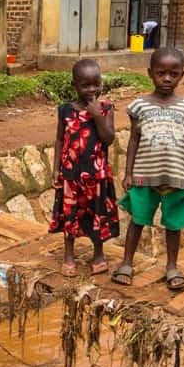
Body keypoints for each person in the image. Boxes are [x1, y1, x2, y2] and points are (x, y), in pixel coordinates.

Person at [111, 48, 184, 291]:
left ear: (182, 74)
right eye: (161, 73)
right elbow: (134, 140)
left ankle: (172, 267)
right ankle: (127, 263)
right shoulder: (139, 106)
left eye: (174, 73)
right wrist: (128, 172)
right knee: (137, 221)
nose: (167, 79)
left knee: (173, 225)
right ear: (150, 73)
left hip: (177, 176)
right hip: (143, 175)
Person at [49, 58, 120, 277]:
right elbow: (60, 140)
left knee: (97, 213)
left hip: (97, 175)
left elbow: (109, 139)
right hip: (71, 175)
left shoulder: (106, 109)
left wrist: (97, 115)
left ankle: (98, 254)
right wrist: (56, 169)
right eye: (85, 85)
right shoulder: (65, 111)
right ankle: (68, 255)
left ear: (101, 83)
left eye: (95, 84)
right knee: (70, 214)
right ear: (74, 86)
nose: (91, 90)